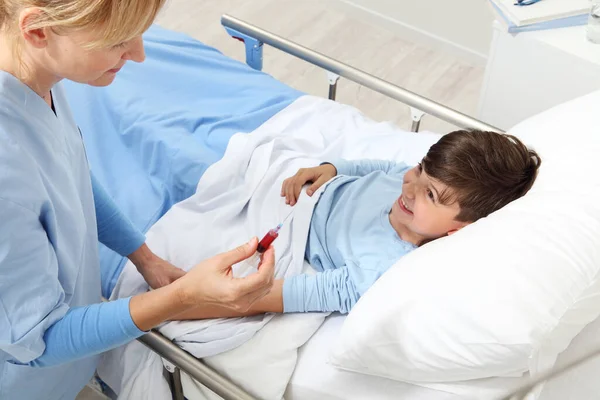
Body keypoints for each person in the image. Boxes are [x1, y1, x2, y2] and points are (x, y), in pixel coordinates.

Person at [0, 1, 274, 399]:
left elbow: (69, 172)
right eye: (118, 41)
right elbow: (37, 340)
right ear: (38, 30)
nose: (140, 54)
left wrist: (145, 258)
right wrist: (182, 297)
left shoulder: (34, 74)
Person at [174, 129, 541, 319]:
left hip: (279, 217)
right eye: (420, 168)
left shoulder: (378, 269)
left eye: (430, 195)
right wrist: (333, 168)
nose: (410, 187)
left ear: (458, 229)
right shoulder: (413, 182)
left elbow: (265, 298)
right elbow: (379, 168)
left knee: (180, 173)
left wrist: (177, 301)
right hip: (293, 182)